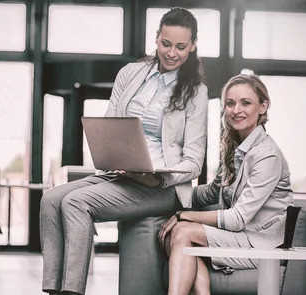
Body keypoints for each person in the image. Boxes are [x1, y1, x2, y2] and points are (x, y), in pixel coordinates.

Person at [40, 7, 208, 295]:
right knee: (51, 199)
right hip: (121, 174)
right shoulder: (131, 74)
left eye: (181, 47)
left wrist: (158, 175)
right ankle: (54, 289)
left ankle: (71, 292)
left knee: (76, 203)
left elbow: (194, 162)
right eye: (166, 44)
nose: (172, 53)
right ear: (156, 39)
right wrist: (113, 156)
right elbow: (110, 125)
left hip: (161, 187)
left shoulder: (195, 92)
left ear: (192, 46)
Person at [158, 74, 294, 295]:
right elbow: (213, 192)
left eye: (246, 102)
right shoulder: (235, 148)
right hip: (241, 237)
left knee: (182, 231)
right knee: (175, 234)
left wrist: (185, 214)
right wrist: (167, 189)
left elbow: (238, 218)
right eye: (230, 103)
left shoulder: (267, 155)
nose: (236, 110)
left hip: (261, 244)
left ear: (263, 106)